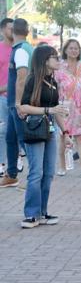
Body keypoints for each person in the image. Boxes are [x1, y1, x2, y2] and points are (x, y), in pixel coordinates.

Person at [19, 45, 69, 228]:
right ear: (44, 60)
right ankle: (31, 214)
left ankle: (42, 211)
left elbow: (57, 111)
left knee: (48, 173)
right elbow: (23, 107)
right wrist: (48, 110)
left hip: (50, 129)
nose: (58, 60)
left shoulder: (53, 82)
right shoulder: (33, 80)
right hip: (35, 128)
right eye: (54, 57)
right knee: (36, 173)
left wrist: (66, 132)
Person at [55, 39, 81, 177]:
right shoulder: (59, 68)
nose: (74, 50)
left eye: (76, 48)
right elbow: (54, 87)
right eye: (71, 48)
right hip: (64, 107)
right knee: (63, 137)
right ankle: (62, 166)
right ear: (65, 50)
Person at [1, 18, 33, 188]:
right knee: (11, 138)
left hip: (17, 103)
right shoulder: (23, 48)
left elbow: (21, 78)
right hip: (15, 102)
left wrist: (19, 102)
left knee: (24, 140)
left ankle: (35, 175)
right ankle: (11, 174)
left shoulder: (20, 50)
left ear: (13, 31)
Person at [0, 18, 14, 177]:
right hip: (3, 98)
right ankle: (2, 163)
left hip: (20, 99)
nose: (13, 31)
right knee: (3, 131)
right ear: (3, 30)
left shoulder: (21, 48)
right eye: (11, 28)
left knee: (17, 132)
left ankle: (14, 162)